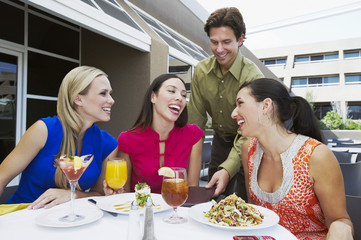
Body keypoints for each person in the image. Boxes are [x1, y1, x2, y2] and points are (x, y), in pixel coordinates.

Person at [232, 78, 353, 239]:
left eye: (240, 103)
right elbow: (254, 212)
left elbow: (340, 220)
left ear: (266, 106)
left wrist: (340, 229)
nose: (233, 113)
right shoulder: (249, 149)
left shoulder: (317, 155)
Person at [0, 66, 118, 209]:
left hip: (69, 221)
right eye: (103, 93)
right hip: (24, 216)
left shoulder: (108, 144)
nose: (111, 100)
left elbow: (99, 194)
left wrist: (71, 194)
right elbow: (1, 178)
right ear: (78, 99)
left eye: (110, 93)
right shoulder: (43, 130)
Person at [188, 7, 263, 198]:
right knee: (212, 199)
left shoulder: (253, 76)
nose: (219, 49)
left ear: (240, 39)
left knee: (241, 201)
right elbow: (195, 127)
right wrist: (191, 188)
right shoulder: (201, 71)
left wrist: (228, 168)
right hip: (219, 142)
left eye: (226, 42)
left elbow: (249, 132)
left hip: (250, 143)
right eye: (214, 42)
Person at [106, 74, 203, 194]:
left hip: (178, 209)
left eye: (184, 95)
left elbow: (192, 189)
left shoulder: (193, 135)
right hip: (141, 210)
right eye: (171, 91)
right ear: (153, 97)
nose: (179, 98)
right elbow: (123, 192)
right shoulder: (127, 139)